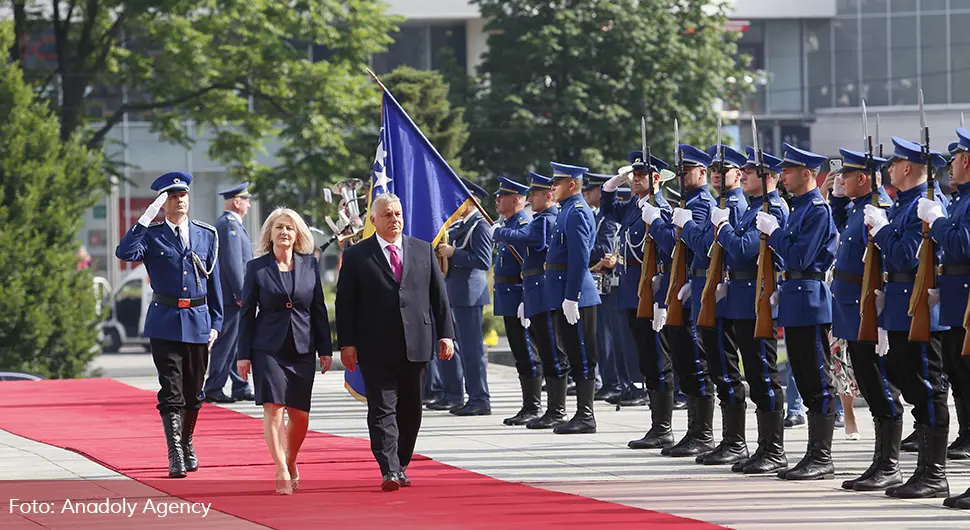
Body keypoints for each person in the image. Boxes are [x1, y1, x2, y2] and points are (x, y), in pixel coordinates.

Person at [336, 193, 455, 492]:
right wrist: (347, 343)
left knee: (411, 410)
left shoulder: (422, 250)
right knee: (382, 409)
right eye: (387, 215)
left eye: (398, 214)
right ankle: (389, 469)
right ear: (373, 220)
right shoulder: (357, 256)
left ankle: (401, 464)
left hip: (417, 343)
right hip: (375, 346)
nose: (394, 220)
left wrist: (446, 334)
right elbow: (345, 304)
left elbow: (438, 297)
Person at [115, 171, 223, 478]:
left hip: (199, 321)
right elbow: (124, 252)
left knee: (194, 392)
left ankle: (187, 442)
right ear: (163, 203)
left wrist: (216, 321)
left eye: (183, 195)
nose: (180, 201)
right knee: (171, 390)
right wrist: (145, 218)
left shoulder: (207, 234)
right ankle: (175, 453)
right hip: (165, 322)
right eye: (172, 197)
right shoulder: (152, 234)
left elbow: (213, 280)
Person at [866, 136, 950, 499]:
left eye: (892, 163)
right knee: (912, 385)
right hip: (901, 306)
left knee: (927, 388)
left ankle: (934, 473)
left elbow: (905, 257)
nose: (886, 170)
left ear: (906, 168)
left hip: (920, 310)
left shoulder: (923, 206)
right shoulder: (905, 205)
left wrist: (883, 230)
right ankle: (923, 470)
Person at [819, 148, 901, 492]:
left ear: (863, 179)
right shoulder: (857, 209)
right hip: (851, 306)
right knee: (866, 382)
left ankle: (890, 463)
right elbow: (843, 231)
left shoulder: (878, 209)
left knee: (878, 385)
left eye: (846, 176)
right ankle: (879, 461)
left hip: (868, 306)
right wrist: (837, 200)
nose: (841, 180)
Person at [755, 143, 838, 481]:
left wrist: (775, 233)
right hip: (795, 297)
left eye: (788, 172)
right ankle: (812, 454)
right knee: (803, 377)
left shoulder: (817, 209)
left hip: (810, 299)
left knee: (817, 378)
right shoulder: (799, 208)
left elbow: (800, 257)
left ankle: (822, 456)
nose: (783, 178)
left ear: (806, 174)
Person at [236, 207, 332, 495]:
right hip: (267, 348)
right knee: (274, 409)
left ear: (297, 234)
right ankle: (280, 469)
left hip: (302, 347)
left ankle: (290, 460)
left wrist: (325, 349)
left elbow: (318, 309)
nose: (284, 232)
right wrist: (243, 354)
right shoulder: (257, 268)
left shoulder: (310, 265)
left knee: (300, 414)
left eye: (289, 228)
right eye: (279, 227)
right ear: (270, 234)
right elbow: (246, 314)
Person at [708, 147, 790, 474]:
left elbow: (742, 250)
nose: (743, 176)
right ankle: (758, 446)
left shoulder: (773, 209)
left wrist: (722, 229)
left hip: (758, 300)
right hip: (741, 298)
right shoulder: (753, 207)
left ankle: (773, 449)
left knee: (764, 375)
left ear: (767, 178)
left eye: (751, 173)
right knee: (753, 375)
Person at [644, 144, 717, 457]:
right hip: (683, 287)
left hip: (694, 289)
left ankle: (702, 433)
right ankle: (693, 430)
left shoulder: (702, 204)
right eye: (682, 172)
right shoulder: (687, 202)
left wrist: (660, 224)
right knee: (685, 363)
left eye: (689, 172)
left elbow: (692, 243)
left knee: (695, 364)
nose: (684, 177)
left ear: (702, 173)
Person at [601, 151, 676, 449]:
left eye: (641, 175)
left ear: (656, 179)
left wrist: (662, 299)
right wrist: (615, 180)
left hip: (651, 288)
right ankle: (656, 424)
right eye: (633, 175)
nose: (635, 180)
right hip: (632, 289)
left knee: (659, 358)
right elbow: (607, 208)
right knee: (645, 359)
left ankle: (664, 426)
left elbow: (670, 252)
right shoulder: (633, 207)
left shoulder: (663, 210)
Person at [682, 144, 748, 466]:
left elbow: (709, 245)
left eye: (725, 172)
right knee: (718, 367)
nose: (720, 177)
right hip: (709, 288)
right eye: (717, 172)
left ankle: (735, 441)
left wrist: (687, 227)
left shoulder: (734, 205)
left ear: (739, 173)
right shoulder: (722, 204)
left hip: (723, 293)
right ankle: (726, 439)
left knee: (725, 367)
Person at [493, 173, 569, 430]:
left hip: (535, 292)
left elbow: (530, 242)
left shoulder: (539, 222)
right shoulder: (532, 222)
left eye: (534, 195)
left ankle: (550, 408)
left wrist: (501, 232)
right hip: (527, 292)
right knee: (534, 353)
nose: (531, 200)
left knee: (544, 353)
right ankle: (535, 406)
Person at [544, 161, 601, 434]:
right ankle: (581, 412)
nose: (552, 187)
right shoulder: (567, 210)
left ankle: (585, 414)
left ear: (571, 185)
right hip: (564, 290)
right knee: (573, 352)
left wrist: (572, 296)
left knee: (582, 355)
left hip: (576, 294)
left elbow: (580, 258)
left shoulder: (576, 212)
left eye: (557, 182)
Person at [437, 179, 494, 416]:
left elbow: (483, 260)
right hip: (456, 292)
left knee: (473, 351)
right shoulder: (459, 226)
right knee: (459, 348)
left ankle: (479, 398)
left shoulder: (479, 226)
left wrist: (454, 253)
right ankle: (460, 395)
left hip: (470, 293)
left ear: (471, 201)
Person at [936, 128, 970, 509]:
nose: (950, 167)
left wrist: (939, 224)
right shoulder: (962, 200)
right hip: (957, 306)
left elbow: (963, 244)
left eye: (955, 159)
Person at [491, 176, 542, 426]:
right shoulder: (510, 223)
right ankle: (527, 405)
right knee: (520, 352)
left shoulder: (523, 223)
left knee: (528, 352)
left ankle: (533, 405)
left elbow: (529, 266)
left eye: (503, 196)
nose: (498, 200)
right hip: (508, 296)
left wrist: (525, 297)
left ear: (517, 200)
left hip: (519, 293)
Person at [204, 182, 256, 404]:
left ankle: (240, 385)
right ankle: (213, 386)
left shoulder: (232, 224)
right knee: (225, 343)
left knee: (235, 343)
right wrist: (241, 294)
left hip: (233, 296)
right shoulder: (228, 226)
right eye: (246, 200)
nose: (249, 205)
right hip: (231, 297)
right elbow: (233, 264)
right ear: (236, 202)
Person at [582, 172, 628, 404]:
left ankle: (615, 382)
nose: (585, 194)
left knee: (610, 336)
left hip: (612, 281)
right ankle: (612, 381)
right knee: (603, 335)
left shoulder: (607, 217)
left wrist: (581, 253)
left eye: (589, 190)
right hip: (604, 281)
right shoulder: (600, 216)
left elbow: (605, 248)